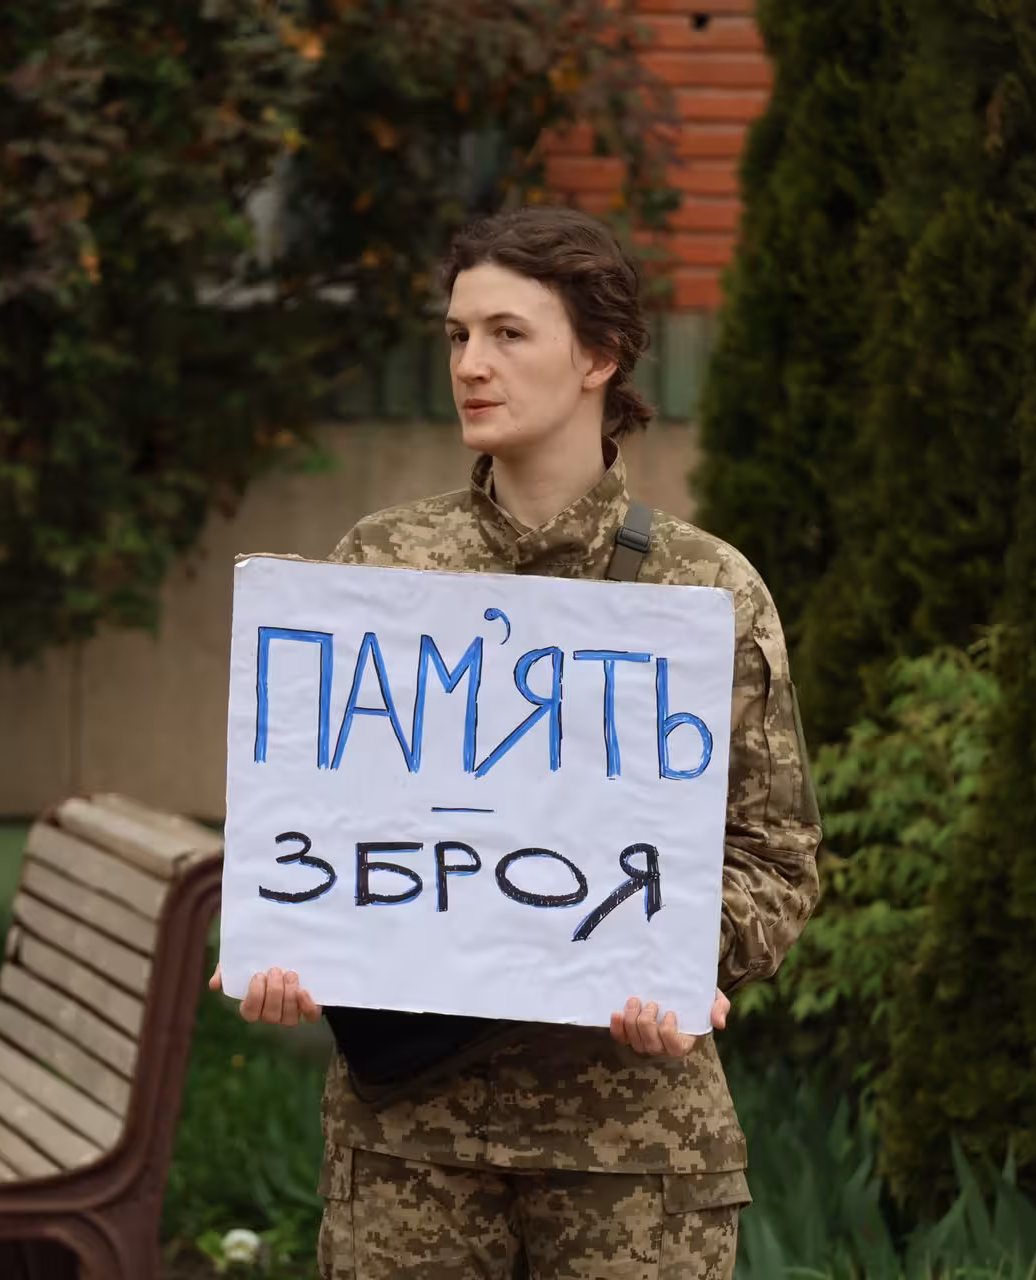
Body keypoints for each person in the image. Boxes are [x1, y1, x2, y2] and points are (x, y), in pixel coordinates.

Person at [210, 205, 822, 1279]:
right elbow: (319, 822)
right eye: (457, 335)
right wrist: (292, 939)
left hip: (633, 1155)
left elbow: (776, 859)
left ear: (601, 355)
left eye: (507, 333)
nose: (470, 365)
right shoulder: (379, 567)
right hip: (410, 1151)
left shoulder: (703, 589)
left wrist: (679, 956)